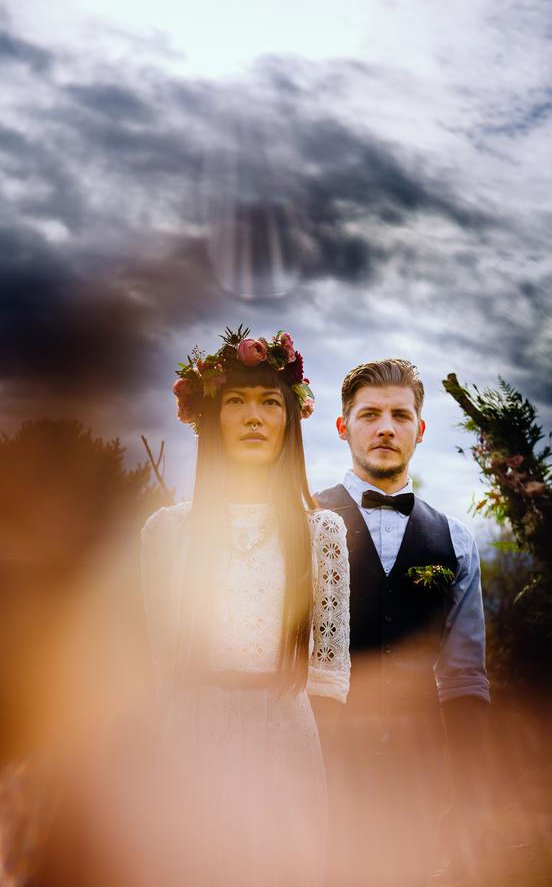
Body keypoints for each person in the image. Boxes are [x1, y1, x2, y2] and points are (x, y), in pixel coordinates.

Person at [139, 326, 350, 887]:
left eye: (269, 402)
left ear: (290, 419)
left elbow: (327, 677)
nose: (254, 416)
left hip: (286, 739)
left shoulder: (321, 534)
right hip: (193, 739)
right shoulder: (168, 532)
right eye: (235, 401)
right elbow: (160, 667)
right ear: (212, 416)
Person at [315, 358, 490, 887]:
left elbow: (464, 675)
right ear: (344, 427)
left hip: (419, 775)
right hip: (320, 766)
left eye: (400, 415)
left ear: (420, 429)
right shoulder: (302, 520)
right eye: (370, 415)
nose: (386, 427)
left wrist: (471, 787)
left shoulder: (456, 539)